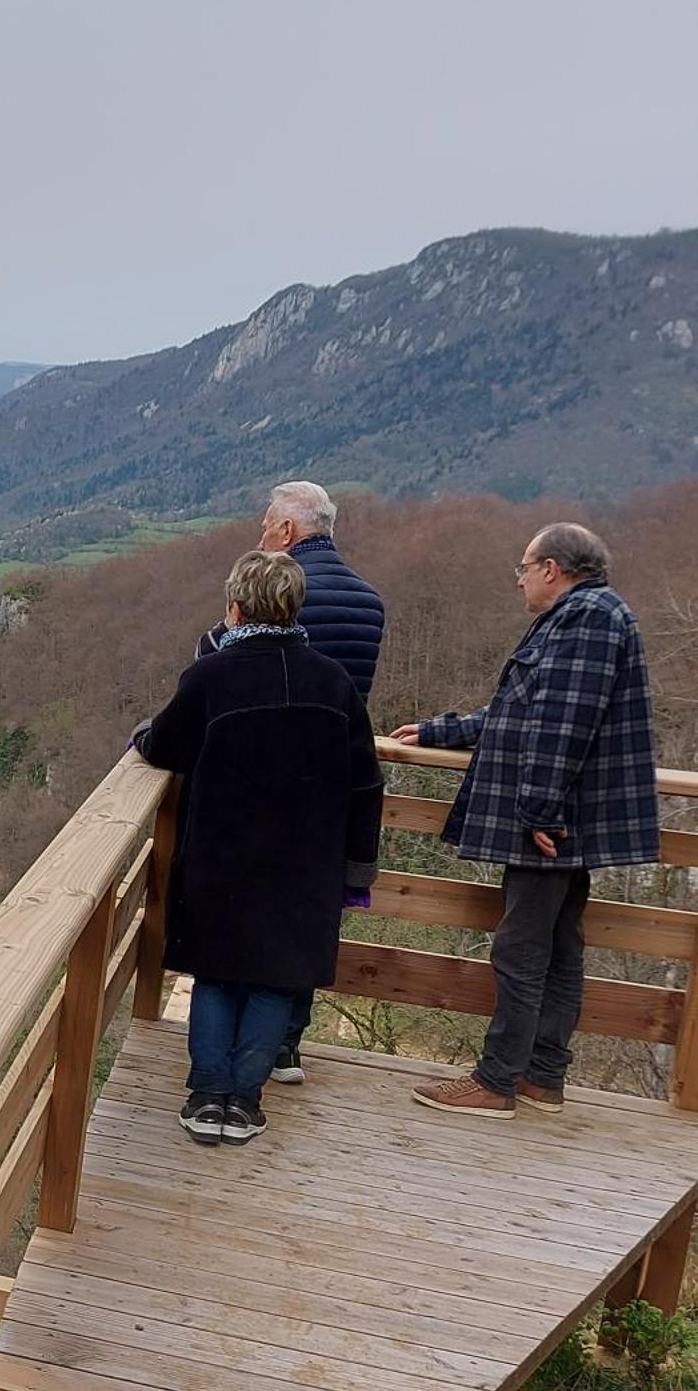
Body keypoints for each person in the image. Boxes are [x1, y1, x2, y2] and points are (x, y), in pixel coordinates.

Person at [392, 522, 658, 1119]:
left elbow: (563, 723)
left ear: (552, 569)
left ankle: (497, 1081)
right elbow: (525, 709)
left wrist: (539, 808)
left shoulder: (585, 619)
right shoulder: (592, 614)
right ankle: (541, 1077)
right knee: (559, 946)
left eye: (523, 567)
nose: (519, 579)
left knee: (520, 949)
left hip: (555, 820)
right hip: (571, 816)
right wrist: (446, 730)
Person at [137, 550, 383, 1145]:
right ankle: (244, 1101)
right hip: (305, 865)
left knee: (216, 973)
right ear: (295, 607)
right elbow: (366, 781)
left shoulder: (211, 676)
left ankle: (206, 1094)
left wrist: (143, 736)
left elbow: (165, 747)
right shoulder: (333, 682)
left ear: (235, 607)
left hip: (223, 856)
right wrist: (358, 871)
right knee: (276, 978)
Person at [197, 480, 385, 1082]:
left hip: (250, 790)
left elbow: (240, 673)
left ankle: (224, 1074)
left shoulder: (281, 596)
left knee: (236, 938)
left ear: (285, 532)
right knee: (302, 927)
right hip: (325, 797)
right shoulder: (368, 602)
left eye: (265, 524)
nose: (260, 533)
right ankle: (285, 1049)